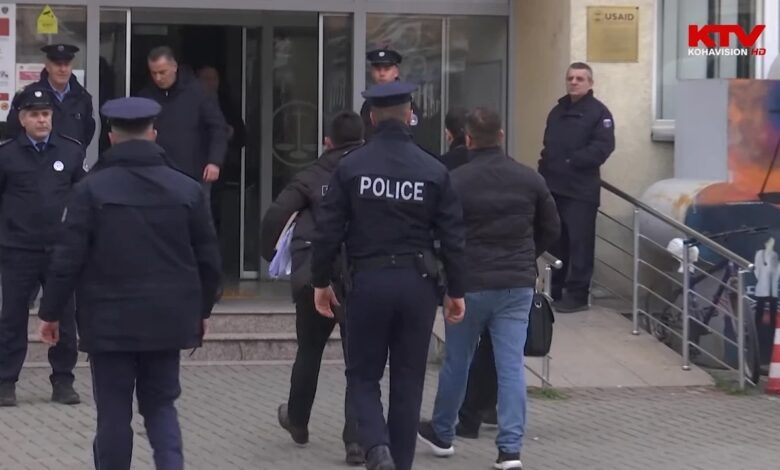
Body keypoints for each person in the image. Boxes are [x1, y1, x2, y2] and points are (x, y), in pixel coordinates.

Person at [37, 97, 222, 470]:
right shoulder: (187, 190)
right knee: (161, 407)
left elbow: (67, 259)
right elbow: (209, 261)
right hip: (167, 319)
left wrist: (50, 313)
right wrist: (201, 311)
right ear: (153, 134)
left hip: (109, 322)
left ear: (110, 137)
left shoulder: (90, 190)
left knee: (113, 412)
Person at [311, 81, 466, 470]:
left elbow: (327, 230)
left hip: (368, 283)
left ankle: (377, 448)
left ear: (373, 118)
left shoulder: (351, 167)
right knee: (408, 383)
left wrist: (320, 281)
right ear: (410, 114)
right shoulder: (433, 169)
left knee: (363, 376)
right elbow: (453, 238)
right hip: (418, 285)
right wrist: (456, 290)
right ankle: (399, 462)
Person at [419, 107, 561, 470]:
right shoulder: (529, 178)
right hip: (516, 284)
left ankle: (443, 433)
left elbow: (437, 231)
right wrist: (526, 255)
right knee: (510, 365)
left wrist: (447, 272)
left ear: (467, 139)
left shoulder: (456, 181)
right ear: (500, 136)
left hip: (468, 284)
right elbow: (552, 227)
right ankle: (510, 450)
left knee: (458, 360)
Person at [260, 110, 365, 465]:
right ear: (362, 139)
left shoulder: (311, 175)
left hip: (313, 272)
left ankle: (298, 420)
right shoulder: (371, 173)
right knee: (358, 360)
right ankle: (355, 441)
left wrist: (270, 254)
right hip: (358, 274)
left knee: (309, 349)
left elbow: (276, 215)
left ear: (327, 142)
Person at [0, 88, 85, 407]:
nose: (41, 120)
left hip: (59, 252)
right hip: (18, 249)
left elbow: (82, 199)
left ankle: (63, 380)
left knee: (64, 316)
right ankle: (6, 381)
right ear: (22, 119)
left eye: (46, 114)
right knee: (12, 318)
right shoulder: (6, 155)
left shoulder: (70, 151)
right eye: (34, 114)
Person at [538, 61, 615, 313]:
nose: (573, 82)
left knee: (580, 245)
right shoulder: (556, 111)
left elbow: (602, 148)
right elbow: (548, 147)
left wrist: (572, 162)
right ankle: (554, 289)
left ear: (590, 83)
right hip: (554, 188)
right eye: (570, 78)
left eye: (580, 79)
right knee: (555, 243)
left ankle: (578, 295)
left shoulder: (599, 113)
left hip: (580, 191)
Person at [138, 47, 228, 196]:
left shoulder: (198, 92)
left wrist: (214, 162)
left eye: (162, 72)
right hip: (157, 176)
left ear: (174, 67)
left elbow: (218, 128)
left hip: (194, 175)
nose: (158, 78)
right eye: (153, 73)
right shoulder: (146, 97)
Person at [6, 44, 96, 148]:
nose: (63, 69)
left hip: (71, 156)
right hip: (35, 156)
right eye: (58, 64)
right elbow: (13, 130)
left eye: (66, 64)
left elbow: (88, 132)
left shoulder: (83, 97)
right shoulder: (28, 95)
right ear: (48, 67)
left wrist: (76, 152)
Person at [196, 65, 246, 233]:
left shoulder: (226, 104)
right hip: (197, 166)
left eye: (214, 79)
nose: (210, 83)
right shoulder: (192, 104)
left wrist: (231, 134)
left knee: (217, 213)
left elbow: (243, 135)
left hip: (223, 169)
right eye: (205, 79)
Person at [359, 48, 420, 140]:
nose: (382, 74)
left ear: (396, 73)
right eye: (378, 69)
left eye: (387, 69)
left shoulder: (404, 100)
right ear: (372, 72)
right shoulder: (368, 104)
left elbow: (415, 134)